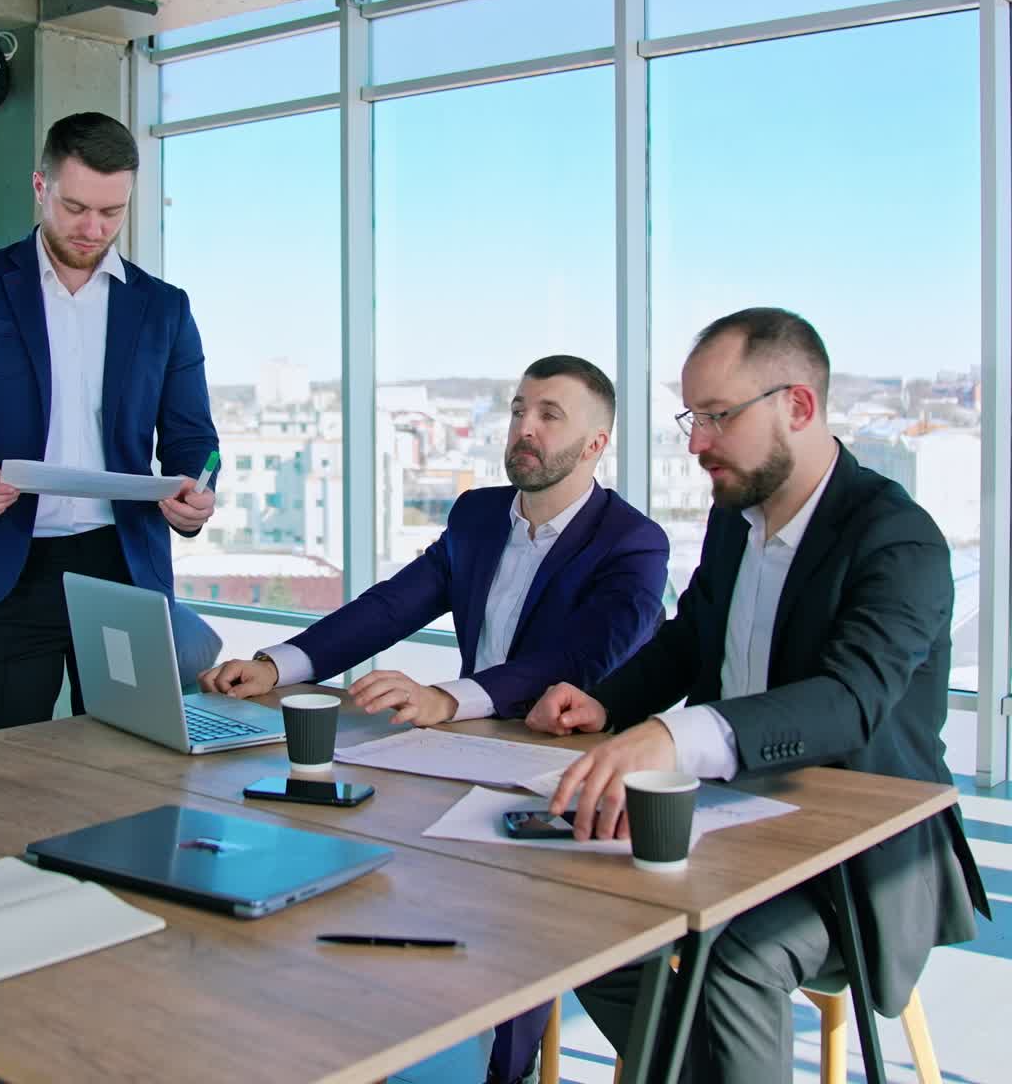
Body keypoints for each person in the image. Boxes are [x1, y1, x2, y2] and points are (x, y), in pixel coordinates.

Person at [527, 308, 988, 1084]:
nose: (696, 442)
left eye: (717, 417)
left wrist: (680, 736)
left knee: (735, 953)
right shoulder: (734, 514)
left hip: (862, 853)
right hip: (733, 820)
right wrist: (607, 702)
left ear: (797, 407)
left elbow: (848, 702)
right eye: (692, 418)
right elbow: (691, 635)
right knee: (578, 915)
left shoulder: (898, 540)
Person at [200, 353, 670, 1084]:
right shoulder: (478, 515)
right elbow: (392, 604)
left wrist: (450, 697)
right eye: (518, 409)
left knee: (510, 918)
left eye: (550, 415)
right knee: (352, 848)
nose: (525, 428)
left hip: (566, 775)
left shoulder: (634, 542)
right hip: (466, 757)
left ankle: (493, 1073)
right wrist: (279, 663)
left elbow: (581, 657)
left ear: (595, 444)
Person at [0, 112, 220, 737]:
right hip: (8, 571)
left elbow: (194, 439)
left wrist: (196, 488)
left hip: (123, 567)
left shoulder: (164, 308)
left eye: (111, 211)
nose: (93, 229)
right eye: (75, 207)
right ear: (41, 186)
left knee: (129, 771)